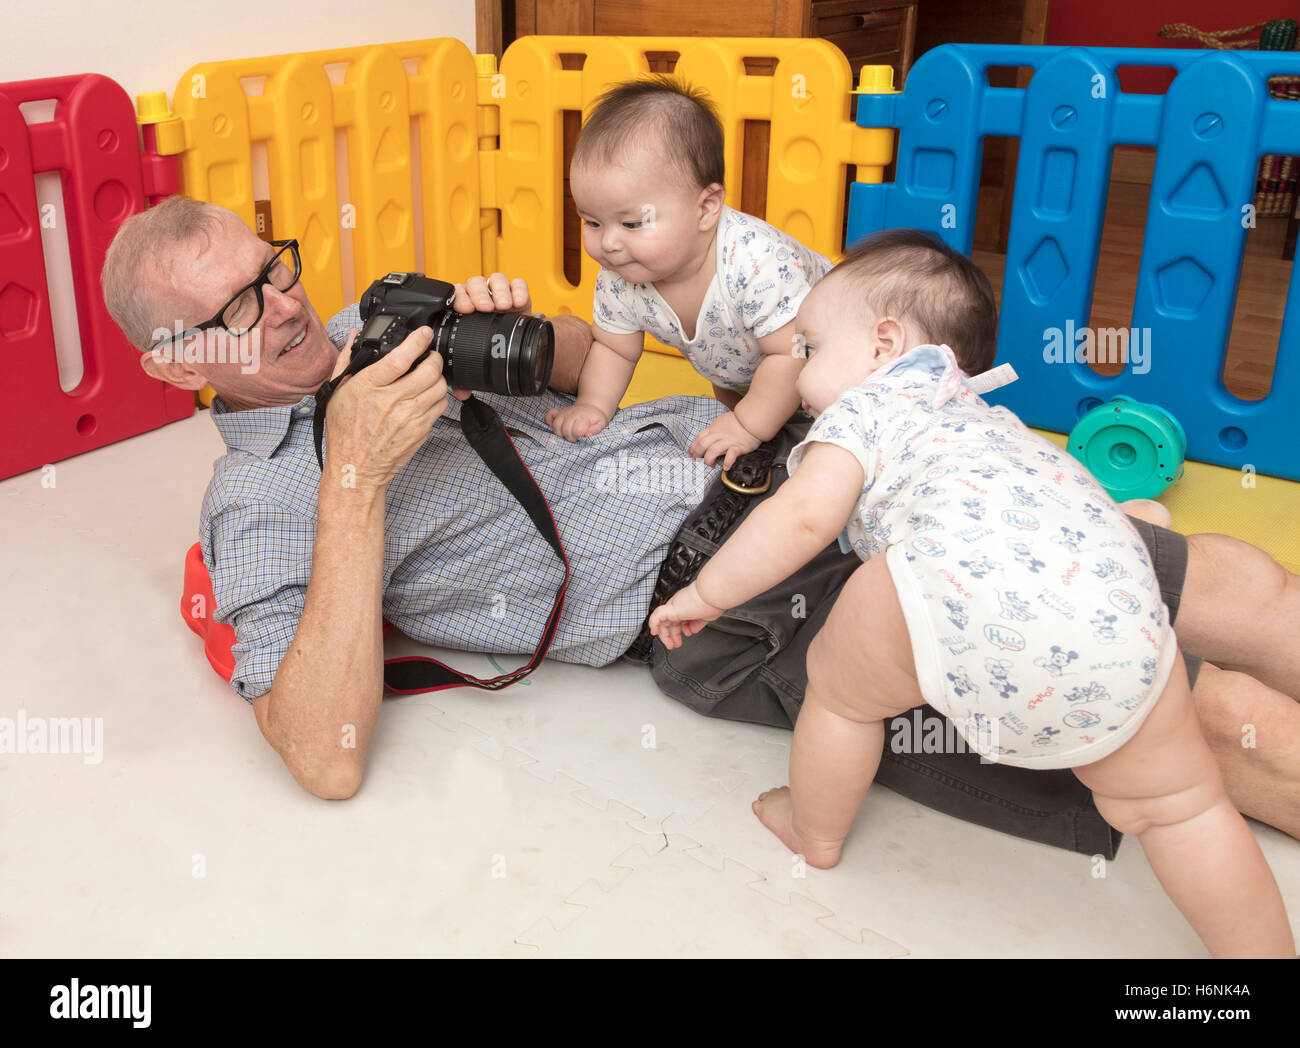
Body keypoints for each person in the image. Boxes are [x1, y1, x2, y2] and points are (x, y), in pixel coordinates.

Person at [100, 197, 1300, 864]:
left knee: (1233, 579)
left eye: (278, 266)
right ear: (173, 366)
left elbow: (580, 361)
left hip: (790, 453)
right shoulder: (257, 500)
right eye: (240, 307)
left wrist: (509, 322)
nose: (292, 304)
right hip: (724, 595)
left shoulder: (377, 317)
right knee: (1171, 712)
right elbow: (325, 753)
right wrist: (353, 476)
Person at [649, 230, 1294, 957]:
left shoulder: (865, 409)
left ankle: (813, 826)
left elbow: (802, 517)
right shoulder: (980, 410)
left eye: (809, 347)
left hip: (966, 600)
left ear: (883, 343)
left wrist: (707, 591)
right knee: (1185, 808)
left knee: (841, 688)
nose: (796, 371)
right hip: (1119, 612)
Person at [545, 76, 830, 470]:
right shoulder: (621, 275)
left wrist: (747, 424)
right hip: (743, 373)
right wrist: (593, 405)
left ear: (706, 207)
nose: (607, 243)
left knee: (826, 439)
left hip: (833, 361)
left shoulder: (757, 263)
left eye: (630, 224)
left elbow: (792, 354)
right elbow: (614, 348)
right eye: (592, 222)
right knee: (740, 443)